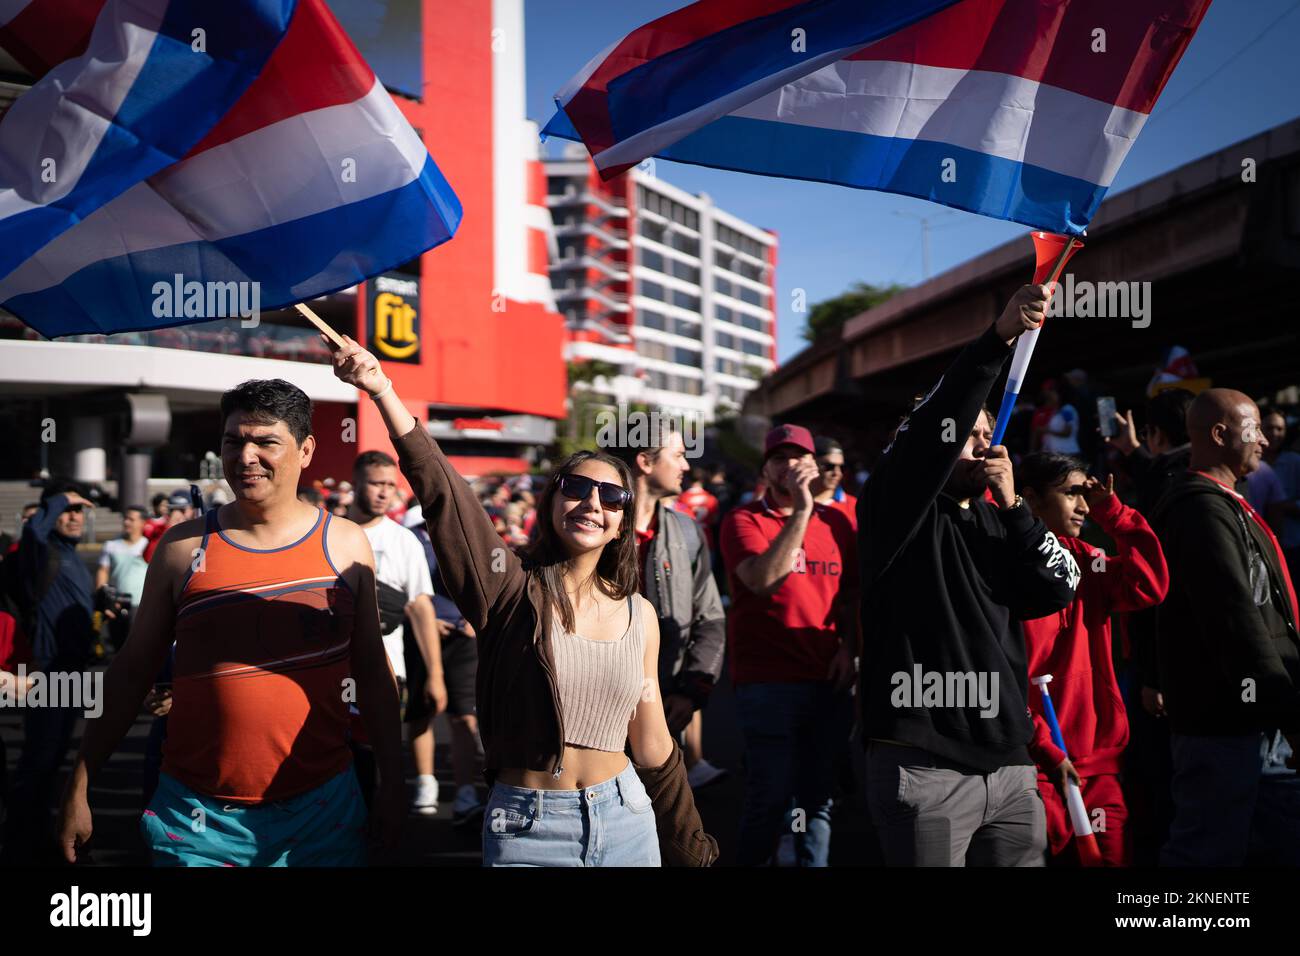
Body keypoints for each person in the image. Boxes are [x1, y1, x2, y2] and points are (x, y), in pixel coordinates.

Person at [326, 334, 716, 867]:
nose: (592, 503)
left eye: (612, 496)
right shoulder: (509, 589)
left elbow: (651, 747)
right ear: (552, 501)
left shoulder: (639, 614)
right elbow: (447, 499)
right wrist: (382, 389)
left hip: (627, 818)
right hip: (528, 828)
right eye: (576, 487)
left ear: (623, 522)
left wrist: (693, 848)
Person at [58, 379, 403, 867]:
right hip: (196, 819)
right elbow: (132, 670)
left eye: (266, 442)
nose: (246, 456)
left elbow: (372, 670)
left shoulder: (346, 545)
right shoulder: (181, 548)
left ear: (306, 450)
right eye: (234, 440)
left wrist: (393, 784)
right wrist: (80, 784)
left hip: (324, 811)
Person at [860, 285, 1079, 867]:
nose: (986, 446)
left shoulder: (998, 518)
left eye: (989, 435)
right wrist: (998, 338)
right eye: (969, 437)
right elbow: (937, 424)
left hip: (1010, 768)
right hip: (924, 764)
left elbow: (1059, 588)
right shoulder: (895, 510)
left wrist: (1017, 513)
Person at [1151, 388, 1300, 866]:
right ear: (1220, 434)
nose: (1262, 441)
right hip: (1226, 723)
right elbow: (1235, 620)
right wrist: (1286, 709)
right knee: (1207, 851)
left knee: (1273, 842)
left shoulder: (1225, 503)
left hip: (1257, 717)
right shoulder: (1201, 510)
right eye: (1253, 429)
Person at [1017, 453, 1169, 866]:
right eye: (1071, 494)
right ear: (1030, 499)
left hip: (1098, 765)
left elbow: (1149, 585)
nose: (1085, 506)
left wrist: (1115, 514)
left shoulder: (1088, 558)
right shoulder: (1004, 566)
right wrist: (1045, 749)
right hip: (1031, 764)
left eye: (1086, 496)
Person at [720, 423, 859, 867]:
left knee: (818, 799)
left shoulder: (838, 522)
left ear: (813, 465)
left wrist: (848, 647)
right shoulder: (743, 520)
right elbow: (761, 580)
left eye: (798, 457)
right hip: (767, 681)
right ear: (765, 470)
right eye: (779, 458)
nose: (789, 466)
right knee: (772, 796)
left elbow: (853, 595)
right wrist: (801, 511)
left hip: (828, 679)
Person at [611, 424, 728, 791]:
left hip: (666, 709)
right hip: (599, 716)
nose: (686, 466)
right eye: (678, 455)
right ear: (645, 461)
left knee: (667, 832)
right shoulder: (591, 527)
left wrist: (692, 689)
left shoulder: (689, 532)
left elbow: (710, 618)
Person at [0, 481, 97, 864]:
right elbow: (33, 531)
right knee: (38, 760)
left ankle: (39, 837)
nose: (74, 517)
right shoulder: (41, 551)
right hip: (50, 673)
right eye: (67, 511)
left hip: (75, 672)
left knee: (57, 758)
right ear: (51, 513)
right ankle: (18, 846)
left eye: (78, 511)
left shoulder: (70, 554)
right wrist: (58, 502)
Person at [345, 450, 444, 815]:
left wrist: (435, 675)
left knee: (378, 759)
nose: (385, 492)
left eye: (391, 485)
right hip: (331, 666)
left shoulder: (405, 541)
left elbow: (420, 608)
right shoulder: (329, 531)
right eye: (376, 483)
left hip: (389, 670)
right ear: (355, 483)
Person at [403, 505, 485, 826]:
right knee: (422, 709)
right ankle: (425, 783)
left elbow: (487, 583)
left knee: (465, 715)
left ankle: (466, 791)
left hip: (463, 638)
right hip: (421, 635)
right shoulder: (409, 539)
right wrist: (426, 620)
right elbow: (403, 589)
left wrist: (474, 620)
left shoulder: (472, 535)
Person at [95, 506, 148, 651]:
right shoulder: (111, 545)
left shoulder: (149, 545)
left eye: (131, 519)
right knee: (119, 649)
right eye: (125, 518)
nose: (126, 522)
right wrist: (104, 597)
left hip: (142, 606)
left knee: (139, 650)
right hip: (117, 605)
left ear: (143, 522)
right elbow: (102, 571)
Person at [1260, 409, 1300, 580]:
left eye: (1280, 429)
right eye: (1269, 428)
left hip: (1292, 543)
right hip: (1261, 543)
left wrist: (1285, 507)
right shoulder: (1251, 463)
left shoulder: (1295, 462)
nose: (1274, 434)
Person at [812, 436, 857, 527]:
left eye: (842, 468)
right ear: (812, 463)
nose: (837, 473)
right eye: (829, 466)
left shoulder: (855, 507)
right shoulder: (791, 503)